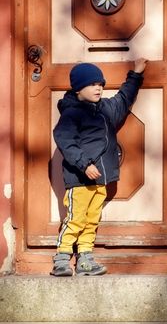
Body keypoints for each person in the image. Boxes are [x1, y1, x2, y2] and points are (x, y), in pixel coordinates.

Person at [51, 58, 148, 276]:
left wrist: (136, 74)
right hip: (80, 180)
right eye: (92, 84)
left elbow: (124, 99)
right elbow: (65, 140)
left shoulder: (106, 110)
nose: (98, 88)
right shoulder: (72, 113)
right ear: (77, 89)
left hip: (101, 180)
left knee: (92, 219)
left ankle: (85, 258)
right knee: (75, 218)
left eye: (101, 84)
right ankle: (62, 257)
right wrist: (84, 165)